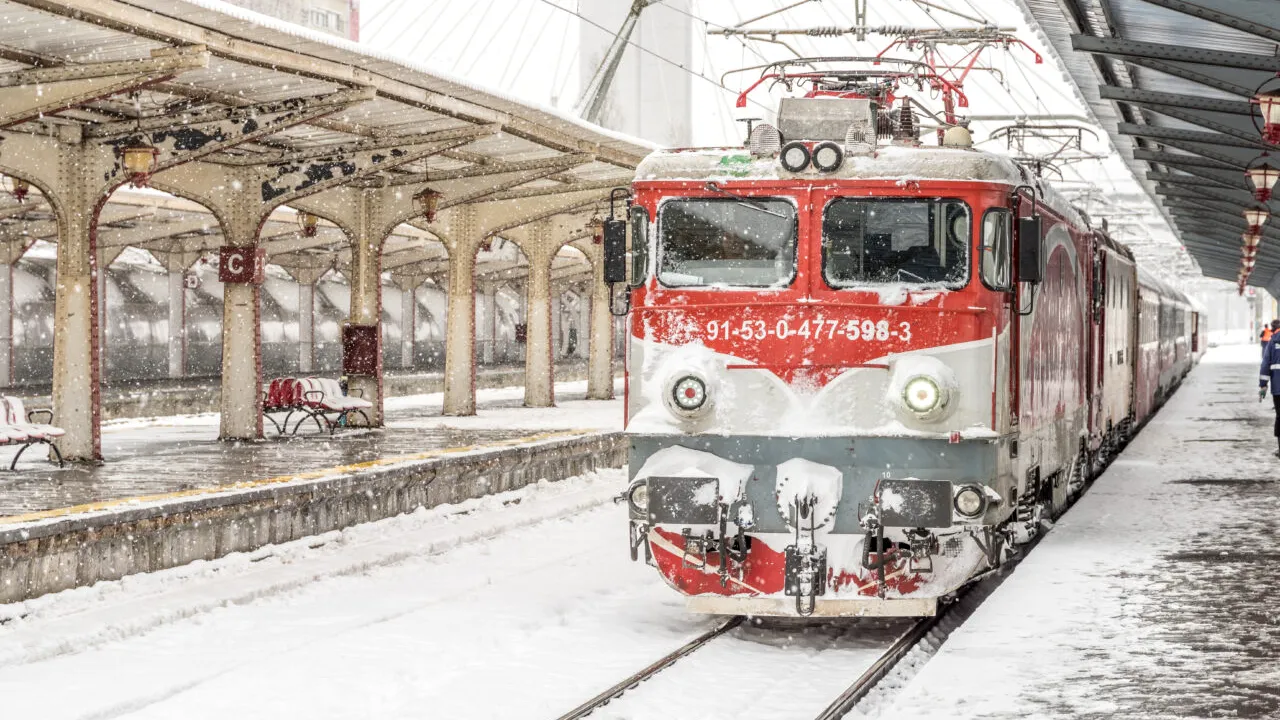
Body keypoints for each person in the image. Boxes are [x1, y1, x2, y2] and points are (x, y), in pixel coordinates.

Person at [1259, 319, 1280, 457]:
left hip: (1278, 388)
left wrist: (1263, 386)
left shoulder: (1273, 342)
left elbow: (1265, 365)